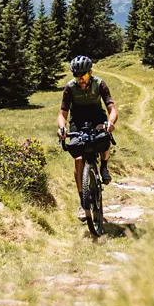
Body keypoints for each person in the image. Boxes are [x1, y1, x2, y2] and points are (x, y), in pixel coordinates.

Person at [57, 55, 118, 219]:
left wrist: (110, 123)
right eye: (77, 76)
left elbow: (112, 109)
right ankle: (83, 203)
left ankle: (104, 166)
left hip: (97, 116)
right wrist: (62, 127)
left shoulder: (99, 84)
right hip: (77, 119)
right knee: (78, 159)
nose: (80, 79)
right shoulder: (70, 88)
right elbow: (62, 113)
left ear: (90, 72)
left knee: (105, 140)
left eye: (83, 76)